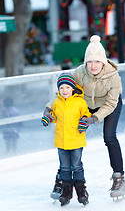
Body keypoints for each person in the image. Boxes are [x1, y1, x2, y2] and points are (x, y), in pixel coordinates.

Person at [45, 35, 125, 200]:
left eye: (97, 61)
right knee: (69, 134)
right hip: (85, 103)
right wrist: (48, 108)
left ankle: (119, 178)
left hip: (109, 105)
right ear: (85, 62)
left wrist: (94, 118)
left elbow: (111, 104)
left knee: (109, 137)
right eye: (89, 62)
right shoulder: (79, 73)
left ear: (103, 61)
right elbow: (63, 92)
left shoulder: (113, 77)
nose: (93, 66)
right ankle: (61, 180)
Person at [41, 73, 91, 206]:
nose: (64, 91)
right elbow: (54, 117)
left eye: (67, 88)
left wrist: (83, 122)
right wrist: (48, 118)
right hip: (61, 141)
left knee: (76, 166)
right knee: (64, 168)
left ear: (73, 88)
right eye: (61, 88)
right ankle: (66, 192)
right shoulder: (56, 103)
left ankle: (81, 191)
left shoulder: (80, 102)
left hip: (76, 141)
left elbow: (86, 115)